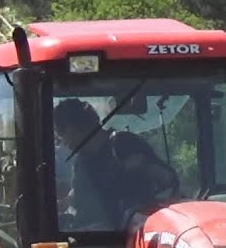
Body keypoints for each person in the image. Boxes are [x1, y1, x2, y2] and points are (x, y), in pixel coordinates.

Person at [53, 97, 177, 230]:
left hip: (124, 235)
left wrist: (143, 168)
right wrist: (62, 204)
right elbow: (84, 193)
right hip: (87, 236)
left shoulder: (122, 145)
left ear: (74, 126)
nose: (62, 141)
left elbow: (167, 179)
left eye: (62, 132)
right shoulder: (82, 161)